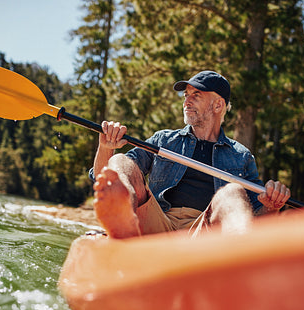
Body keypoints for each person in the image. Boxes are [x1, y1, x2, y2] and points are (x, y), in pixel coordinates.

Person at [89, 70, 291, 238]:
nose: (186, 101)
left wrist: (272, 207)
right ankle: (121, 222)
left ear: (218, 105)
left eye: (196, 95)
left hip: (203, 236)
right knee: (120, 160)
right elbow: (103, 178)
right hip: (156, 225)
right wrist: (107, 147)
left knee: (232, 193)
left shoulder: (241, 156)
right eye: (186, 95)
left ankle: (236, 259)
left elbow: (258, 219)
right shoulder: (164, 140)